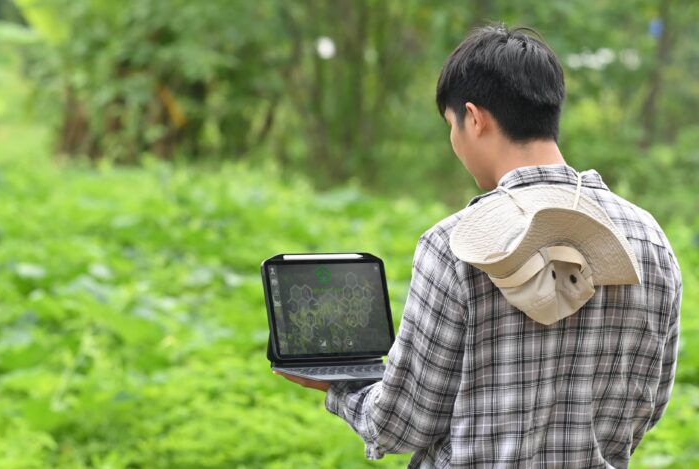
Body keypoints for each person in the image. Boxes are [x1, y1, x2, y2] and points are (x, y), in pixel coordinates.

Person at [275, 25, 682, 468]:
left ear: (474, 117)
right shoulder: (648, 239)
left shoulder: (456, 246)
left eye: (452, 125)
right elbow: (649, 405)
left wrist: (340, 387)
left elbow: (399, 424)